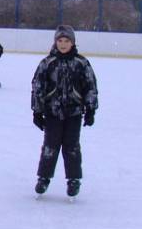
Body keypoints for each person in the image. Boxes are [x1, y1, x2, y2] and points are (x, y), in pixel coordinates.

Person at [30, 25, 98, 199]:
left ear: (72, 42)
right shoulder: (47, 63)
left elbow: (90, 86)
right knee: (50, 147)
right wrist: (37, 112)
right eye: (60, 40)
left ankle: (74, 180)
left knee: (72, 147)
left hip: (74, 114)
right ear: (55, 42)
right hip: (52, 113)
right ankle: (44, 178)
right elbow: (38, 87)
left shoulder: (81, 63)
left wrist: (90, 109)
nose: (63, 44)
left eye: (66, 41)